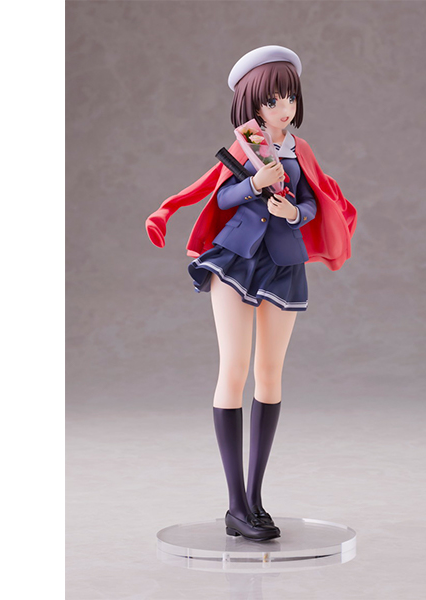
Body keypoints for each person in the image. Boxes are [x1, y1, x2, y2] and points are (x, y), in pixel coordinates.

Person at [145, 46, 357, 542]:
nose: (284, 108)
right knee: (234, 368)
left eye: (290, 98)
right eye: (273, 100)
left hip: (282, 263)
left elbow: (314, 201)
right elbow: (219, 195)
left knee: (270, 373)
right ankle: (235, 503)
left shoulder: (301, 150)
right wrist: (253, 185)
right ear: (252, 105)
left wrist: (295, 214)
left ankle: (255, 498)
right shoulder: (245, 147)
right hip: (237, 259)